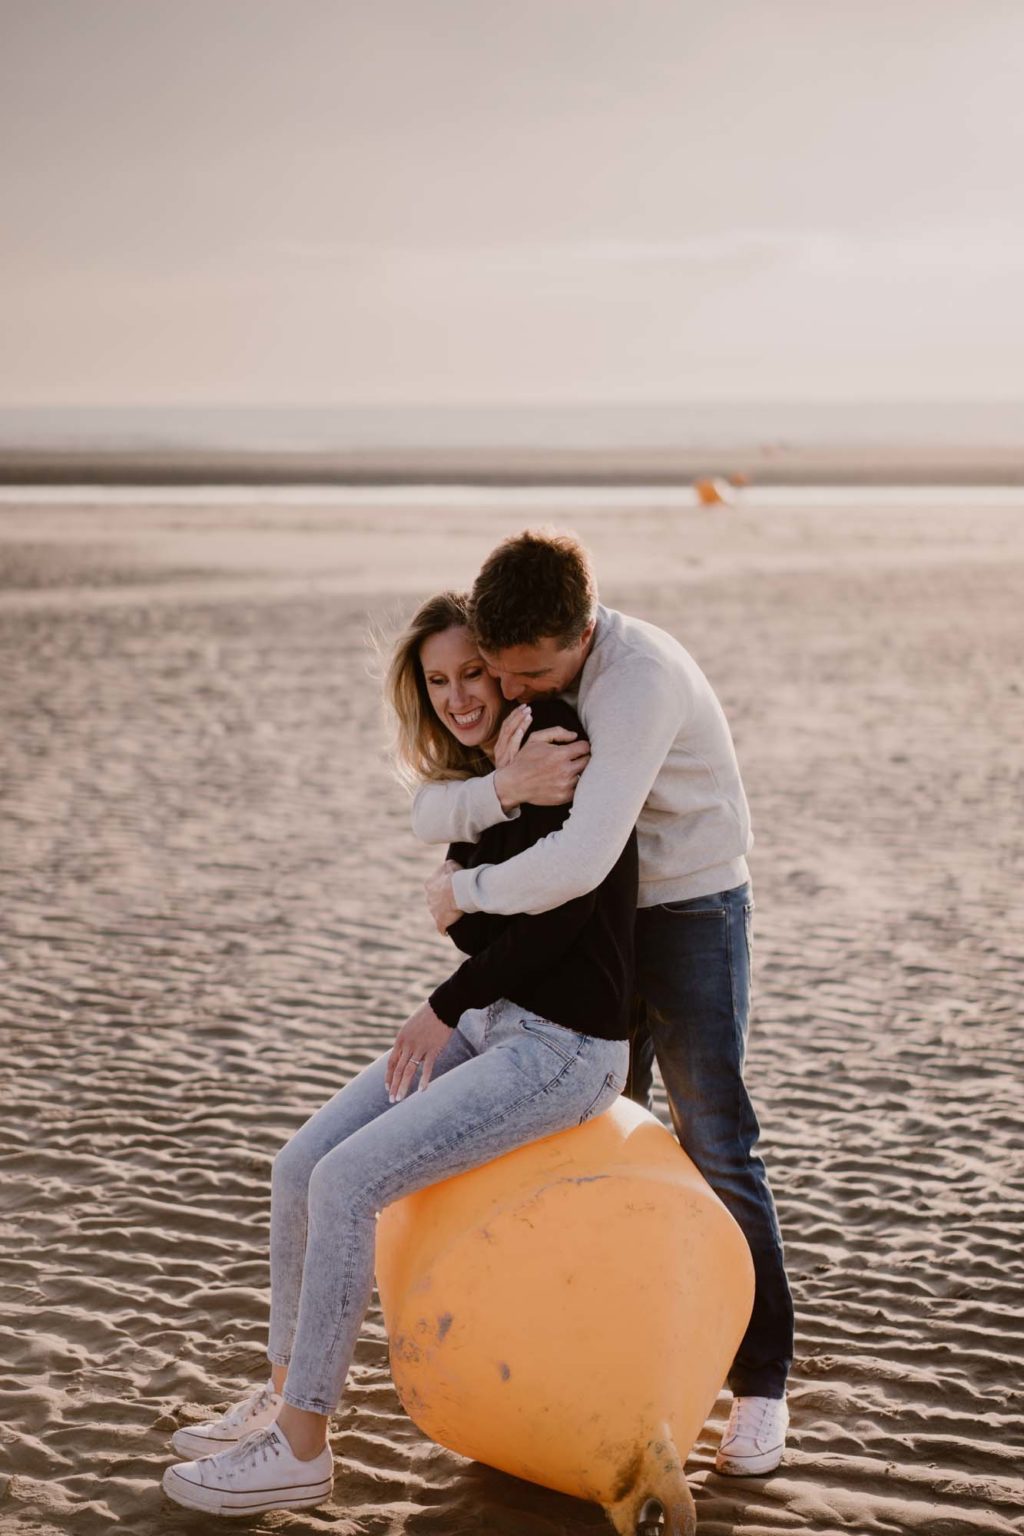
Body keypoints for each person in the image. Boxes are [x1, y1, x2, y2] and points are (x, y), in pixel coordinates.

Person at [160, 590, 637, 1518]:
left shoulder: (557, 742)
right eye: (439, 681)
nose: (460, 696)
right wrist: (465, 899)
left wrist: (443, 994)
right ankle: (280, 1391)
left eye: (472, 673)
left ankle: (302, 1447)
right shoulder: (488, 772)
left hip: (567, 1048)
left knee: (349, 1185)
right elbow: (488, 933)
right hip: (498, 1022)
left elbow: (564, 917)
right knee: (300, 1164)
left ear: (503, 668)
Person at [416, 531, 795, 1477]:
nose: (513, 688)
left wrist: (464, 896)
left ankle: (761, 1389)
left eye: (531, 672)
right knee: (599, 1142)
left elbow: (582, 858)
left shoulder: (638, 681)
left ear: (583, 632)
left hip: (690, 912)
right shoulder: (525, 667)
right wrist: (493, 795)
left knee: (714, 1140)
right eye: (500, 672)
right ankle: (605, 1360)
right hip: (598, 924)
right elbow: (441, 803)